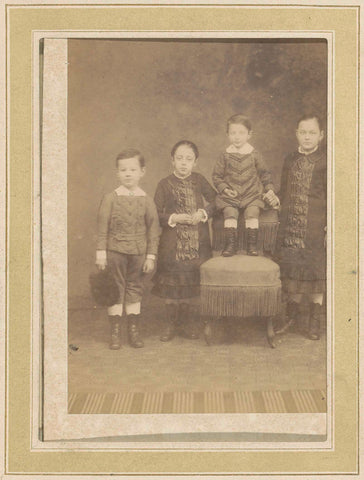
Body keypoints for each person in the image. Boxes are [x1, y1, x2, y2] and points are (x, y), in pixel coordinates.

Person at [152, 140, 216, 342]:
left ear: (195, 162)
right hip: (172, 245)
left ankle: (186, 324)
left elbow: (217, 200)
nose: (183, 163)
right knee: (173, 284)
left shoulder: (199, 180)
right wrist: (174, 217)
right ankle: (171, 324)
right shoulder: (164, 184)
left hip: (197, 243)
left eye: (188, 159)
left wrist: (203, 212)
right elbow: (155, 214)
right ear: (172, 160)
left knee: (190, 284)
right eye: (179, 158)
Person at [96, 149, 159, 349]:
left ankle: (133, 331)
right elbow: (102, 227)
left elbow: (153, 230)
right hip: (115, 252)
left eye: (133, 169)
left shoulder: (147, 200)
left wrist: (151, 256)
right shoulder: (110, 198)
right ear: (117, 173)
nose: (128, 174)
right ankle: (115, 332)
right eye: (123, 170)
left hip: (139, 254)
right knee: (116, 289)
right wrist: (101, 253)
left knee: (134, 288)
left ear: (142, 172)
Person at [274, 115, 326, 340]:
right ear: (296, 133)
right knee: (293, 272)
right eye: (303, 132)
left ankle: (314, 320)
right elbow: (283, 192)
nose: (307, 137)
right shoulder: (290, 159)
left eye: (312, 132)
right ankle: (292, 318)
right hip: (290, 226)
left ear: (321, 135)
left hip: (315, 226)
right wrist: (271, 197)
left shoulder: (326, 161)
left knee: (315, 274)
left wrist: (329, 228)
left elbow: (333, 196)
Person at [212, 114, 279, 257]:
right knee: (230, 213)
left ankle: (252, 245)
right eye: (233, 133)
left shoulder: (254, 154)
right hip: (230, 196)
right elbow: (216, 176)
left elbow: (265, 175)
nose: (237, 137)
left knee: (252, 213)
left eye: (241, 133)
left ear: (249, 134)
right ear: (227, 135)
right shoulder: (225, 155)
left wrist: (270, 190)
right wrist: (225, 189)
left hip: (251, 195)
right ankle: (230, 245)